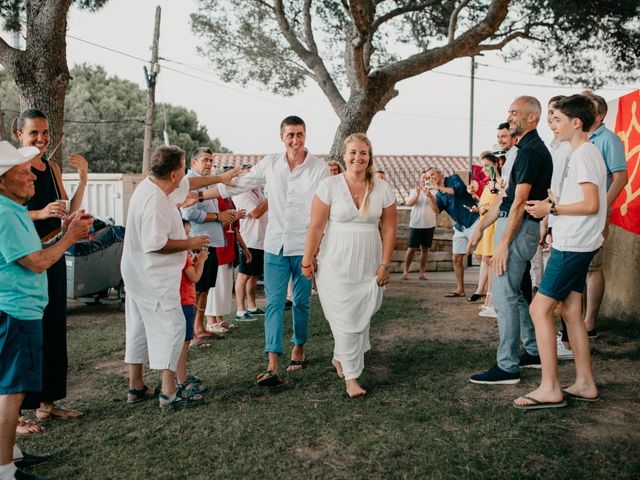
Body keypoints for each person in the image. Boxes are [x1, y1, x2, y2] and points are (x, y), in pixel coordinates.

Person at [0, 140, 93, 480]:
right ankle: (6, 470)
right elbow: (36, 262)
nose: (32, 178)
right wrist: (69, 239)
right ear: (1, 181)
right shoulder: (4, 214)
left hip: (21, 310)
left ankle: (11, 453)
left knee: (13, 388)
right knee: (11, 392)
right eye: (22, 172)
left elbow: (34, 246)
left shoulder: (12, 210)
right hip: (15, 311)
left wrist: (67, 230)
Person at [214, 116, 330, 386]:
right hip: (275, 245)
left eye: (299, 134)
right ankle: (272, 364)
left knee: (300, 302)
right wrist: (200, 193)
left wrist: (316, 251)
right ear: (281, 137)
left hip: (304, 247)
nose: (295, 140)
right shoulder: (270, 163)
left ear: (306, 135)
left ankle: (298, 346)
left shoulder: (319, 168)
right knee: (274, 304)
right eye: (290, 135)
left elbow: (326, 208)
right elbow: (239, 183)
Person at [121, 145, 237, 409]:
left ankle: (136, 387)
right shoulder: (155, 200)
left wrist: (220, 178)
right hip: (153, 277)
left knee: (138, 327)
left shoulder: (153, 186)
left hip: (136, 273)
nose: (185, 175)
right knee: (172, 328)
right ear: (173, 173)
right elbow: (156, 243)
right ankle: (169, 391)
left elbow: (190, 183)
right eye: (183, 168)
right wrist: (189, 243)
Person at [514, 94, 606, 409]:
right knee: (570, 312)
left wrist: (550, 207)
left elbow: (591, 204)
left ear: (575, 122)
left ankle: (550, 387)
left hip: (573, 246)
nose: (556, 124)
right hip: (578, 243)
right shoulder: (584, 151)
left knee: (538, 310)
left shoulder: (583, 154)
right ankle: (584, 382)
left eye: (560, 119)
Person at [301, 133, 397, 398]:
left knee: (361, 313)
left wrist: (385, 264)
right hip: (335, 262)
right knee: (344, 317)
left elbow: (389, 228)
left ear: (370, 157)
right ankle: (352, 378)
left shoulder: (381, 187)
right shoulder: (329, 185)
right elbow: (316, 226)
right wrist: (307, 261)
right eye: (353, 152)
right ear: (344, 156)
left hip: (369, 262)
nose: (358, 157)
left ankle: (340, 356)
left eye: (363, 152)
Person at [469, 96, 552, 384]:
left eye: (515, 113)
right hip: (515, 225)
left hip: (519, 228)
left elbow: (519, 203)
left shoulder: (531, 152)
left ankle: (507, 366)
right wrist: (480, 227)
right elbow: (504, 200)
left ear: (532, 118)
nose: (510, 116)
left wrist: (502, 243)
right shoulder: (522, 150)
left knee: (504, 296)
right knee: (515, 295)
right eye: (509, 112)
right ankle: (532, 350)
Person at [13, 108, 88, 422]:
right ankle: (15, 413)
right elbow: (6, 214)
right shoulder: (10, 168)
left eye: (45, 133)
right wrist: (41, 214)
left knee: (54, 329)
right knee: (25, 334)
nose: (41, 139)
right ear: (19, 134)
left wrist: (83, 180)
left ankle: (48, 402)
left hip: (54, 254)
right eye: (34, 133)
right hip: (24, 260)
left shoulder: (53, 168)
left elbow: (67, 209)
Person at [581, 91, 628, 338]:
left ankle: (589, 323)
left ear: (599, 115)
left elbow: (620, 177)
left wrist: (602, 207)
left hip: (596, 212)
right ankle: (576, 321)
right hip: (576, 213)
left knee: (593, 267)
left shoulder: (609, 139)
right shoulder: (580, 138)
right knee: (580, 267)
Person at [181, 148, 236, 341]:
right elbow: (189, 214)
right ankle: (192, 333)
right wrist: (217, 216)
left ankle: (199, 327)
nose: (209, 164)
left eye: (211, 161)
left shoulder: (206, 184)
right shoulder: (190, 183)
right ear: (193, 161)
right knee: (196, 290)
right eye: (205, 160)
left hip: (210, 243)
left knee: (205, 288)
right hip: (198, 243)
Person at [424, 168, 479, 297]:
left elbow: (458, 191)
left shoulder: (454, 178)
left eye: (432, 174)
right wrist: (430, 197)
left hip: (473, 221)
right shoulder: (439, 195)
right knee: (456, 258)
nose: (430, 178)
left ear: (441, 174)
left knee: (482, 257)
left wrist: (438, 187)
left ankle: (486, 290)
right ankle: (460, 289)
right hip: (459, 227)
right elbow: (437, 210)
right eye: (428, 177)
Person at [203, 196, 251, 331]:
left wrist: (245, 248)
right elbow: (215, 225)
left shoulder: (229, 199)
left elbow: (235, 230)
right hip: (218, 248)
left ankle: (220, 318)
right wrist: (234, 217)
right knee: (216, 286)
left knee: (225, 286)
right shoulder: (215, 199)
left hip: (229, 247)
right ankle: (211, 321)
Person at [174, 219, 207, 400]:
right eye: (185, 234)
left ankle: (180, 377)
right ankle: (181, 379)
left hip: (183, 300)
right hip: (184, 301)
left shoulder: (182, 255)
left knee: (183, 342)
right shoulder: (181, 254)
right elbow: (194, 277)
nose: (189, 237)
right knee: (184, 343)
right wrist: (201, 261)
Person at [232, 164, 268, 321]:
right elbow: (256, 213)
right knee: (244, 275)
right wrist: (273, 197)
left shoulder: (258, 192)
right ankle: (240, 310)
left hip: (260, 240)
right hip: (248, 240)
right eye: (248, 176)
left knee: (253, 275)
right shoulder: (241, 194)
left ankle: (252, 307)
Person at [472, 152, 502, 317]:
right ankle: (488, 300)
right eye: (482, 166)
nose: (483, 169)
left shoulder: (498, 183)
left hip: (494, 226)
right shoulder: (489, 184)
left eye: (486, 165)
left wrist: (485, 208)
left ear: (496, 164)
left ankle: (491, 301)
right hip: (486, 226)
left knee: (490, 262)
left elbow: (501, 203)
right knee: (486, 260)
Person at [402, 171, 436, 280]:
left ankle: (422, 273)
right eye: (423, 177)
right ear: (420, 179)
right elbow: (410, 203)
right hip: (415, 225)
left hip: (429, 225)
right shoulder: (413, 191)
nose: (425, 179)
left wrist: (429, 194)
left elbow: (436, 206)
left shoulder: (434, 192)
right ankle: (405, 272)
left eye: (427, 178)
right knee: (411, 249)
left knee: (425, 250)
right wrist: (417, 194)